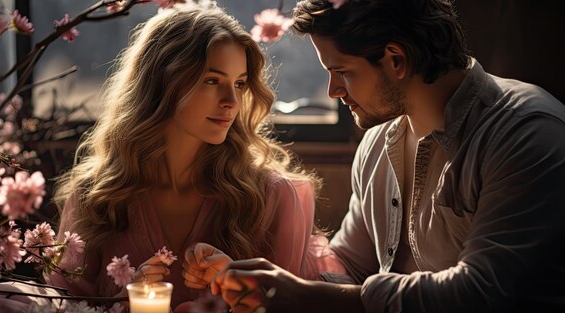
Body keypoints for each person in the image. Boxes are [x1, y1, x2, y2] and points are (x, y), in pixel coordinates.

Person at [210, 0, 565, 312]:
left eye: (342, 72)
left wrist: (307, 297)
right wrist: (252, 283)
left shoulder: (526, 134)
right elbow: (348, 266)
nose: (333, 91)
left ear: (396, 60)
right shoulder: (378, 143)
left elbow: (479, 294)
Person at [47, 2, 319, 311]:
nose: (232, 101)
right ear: (163, 82)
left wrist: (241, 291)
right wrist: (124, 302)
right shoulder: (95, 196)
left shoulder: (273, 197)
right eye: (212, 80)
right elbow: (62, 305)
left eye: (240, 84)